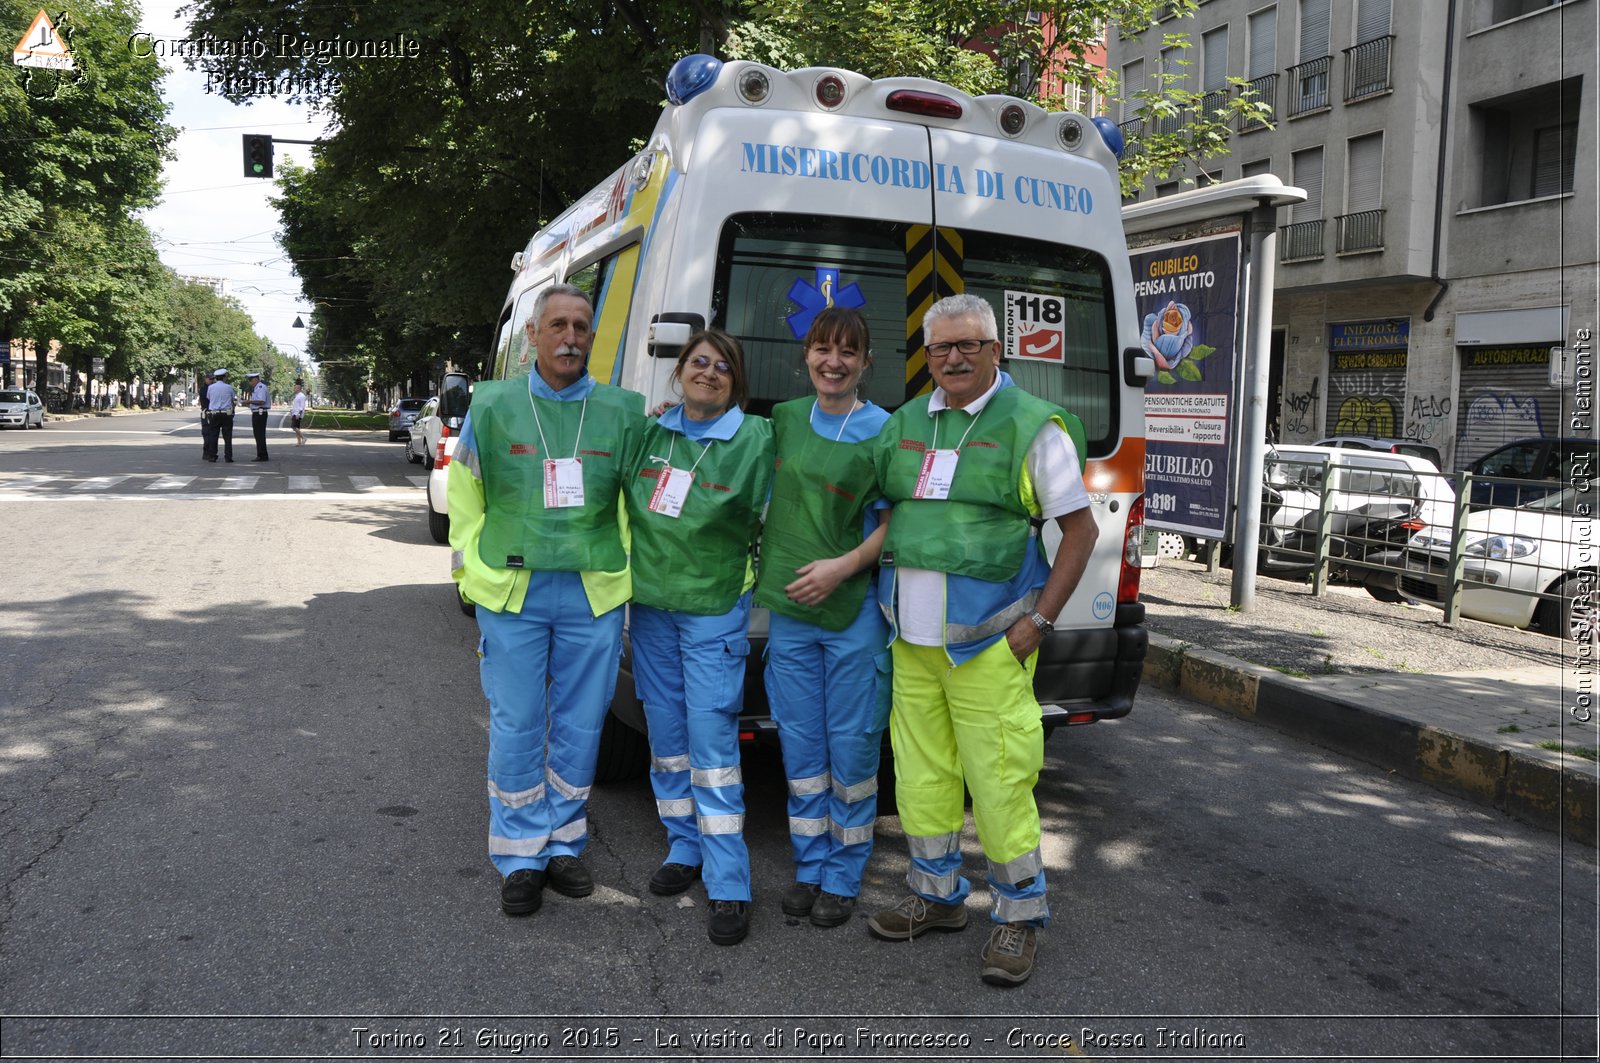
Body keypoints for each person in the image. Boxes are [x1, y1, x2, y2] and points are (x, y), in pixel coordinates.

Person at [866, 293, 1097, 989]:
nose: (955, 358)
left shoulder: (1033, 426)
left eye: (969, 345)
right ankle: (937, 896)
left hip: (991, 642)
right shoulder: (906, 423)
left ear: (997, 350)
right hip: (913, 642)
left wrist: (1040, 622)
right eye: (942, 348)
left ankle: (1018, 917)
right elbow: (880, 506)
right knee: (923, 775)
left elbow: (1079, 532)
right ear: (927, 357)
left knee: (1000, 781)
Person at [448, 284, 645, 919]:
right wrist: (473, 573)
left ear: (592, 336)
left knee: (582, 725)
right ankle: (518, 855)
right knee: (516, 722)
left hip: (594, 592)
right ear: (532, 335)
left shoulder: (623, 411)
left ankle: (563, 842)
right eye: (557, 325)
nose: (569, 337)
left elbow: (638, 504)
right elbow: (466, 493)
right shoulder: (494, 403)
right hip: (512, 593)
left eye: (581, 327)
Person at [624, 329, 774, 946]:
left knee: (712, 746)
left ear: (735, 382)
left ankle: (729, 884)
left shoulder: (757, 439)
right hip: (651, 610)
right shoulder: (652, 434)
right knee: (667, 738)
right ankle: (683, 847)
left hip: (714, 609)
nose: (709, 373)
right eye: (698, 363)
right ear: (679, 371)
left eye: (722, 367)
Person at [754, 307, 891, 930]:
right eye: (822, 348)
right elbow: (723, 446)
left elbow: (898, 523)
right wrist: (664, 423)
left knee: (854, 747)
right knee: (803, 747)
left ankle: (844, 872)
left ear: (866, 362)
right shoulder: (783, 420)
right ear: (806, 354)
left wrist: (843, 566)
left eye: (847, 351)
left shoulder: (885, 431)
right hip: (790, 614)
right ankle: (811, 866)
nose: (832, 361)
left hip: (851, 612)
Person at [202, 369, 236, 463]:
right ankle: (228, 456)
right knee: (227, 436)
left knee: (213, 435)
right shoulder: (229, 387)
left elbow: (209, 397)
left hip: (214, 413)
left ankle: (212, 456)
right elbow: (233, 398)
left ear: (215, 378)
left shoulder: (211, 387)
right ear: (224, 377)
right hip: (226, 414)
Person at [245, 371, 270, 461]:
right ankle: (261, 454)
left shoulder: (261, 387)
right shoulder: (257, 388)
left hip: (260, 413)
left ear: (255, 379)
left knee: (259, 434)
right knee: (258, 434)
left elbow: (261, 401)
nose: (249, 382)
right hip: (257, 412)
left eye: (250, 380)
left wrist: (249, 401)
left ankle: (262, 455)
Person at [288, 380, 308, 445]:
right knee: (297, 428)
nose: (294, 389)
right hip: (295, 413)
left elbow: (301, 406)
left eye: (295, 388)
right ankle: (299, 442)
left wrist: (298, 414)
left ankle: (303, 438)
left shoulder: (301, 396)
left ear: (299, 389)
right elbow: (294, 406)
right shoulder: (297, 396)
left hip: (297, 414)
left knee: (294, 427)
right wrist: (291, 412)